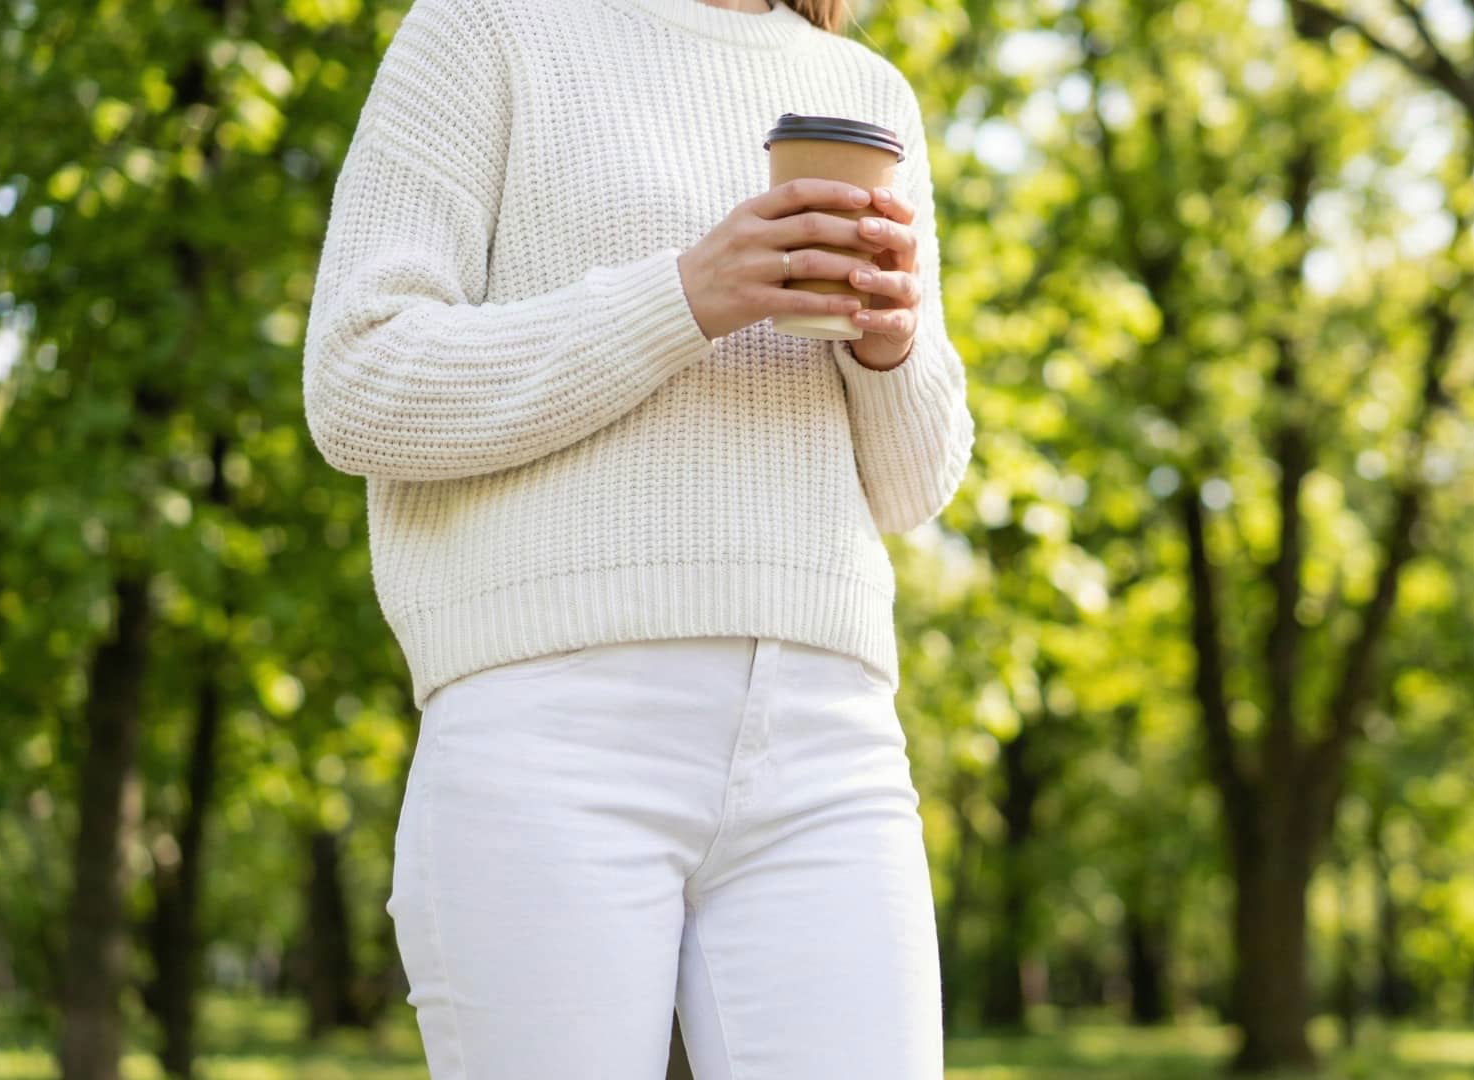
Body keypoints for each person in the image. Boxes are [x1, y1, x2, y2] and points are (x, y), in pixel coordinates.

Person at [298, 0, 975, 1073]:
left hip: (829, 738)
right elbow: (359, 382)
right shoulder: (485, 28)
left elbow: (910, 484)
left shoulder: (867, 92)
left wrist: (892, 348)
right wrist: (682, 298)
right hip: (550, 728)